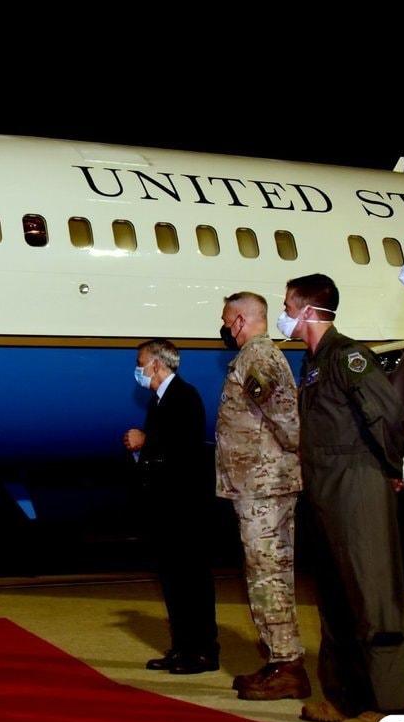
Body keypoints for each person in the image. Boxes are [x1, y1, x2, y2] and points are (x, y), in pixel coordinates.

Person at [281, 274, 404, 722]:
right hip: (323, 486)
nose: (285, 316)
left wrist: (391, 467)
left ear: (309, 311)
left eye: (288, 306)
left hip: (356, 481)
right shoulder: (312, 363)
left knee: (372, 594)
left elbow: (388, 413)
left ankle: (389, 706)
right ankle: (344, 695)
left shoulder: (348, 356)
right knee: (335, 597)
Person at [214, 293, 309, 701]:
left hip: (265, 487)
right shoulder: (253, 359)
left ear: (238, 320)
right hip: (258, 485)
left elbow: (287, 417)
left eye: (225, 320)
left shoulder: (258, 358)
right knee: (265, 573)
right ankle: (279, 660)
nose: (223, 329)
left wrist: (286, 460)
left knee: (269, 574)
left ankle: (287, 664)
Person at [122, 339, 219, 675]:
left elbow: (186, 448)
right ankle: (182, 647)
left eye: (140, 362)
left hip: (185, 507)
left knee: (191, 580)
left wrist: (146, 441)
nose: (137, 369)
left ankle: (203, 651)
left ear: (157, 364)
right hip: (166, 506)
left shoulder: (184, 396)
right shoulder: (159, 401)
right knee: (173, 581)